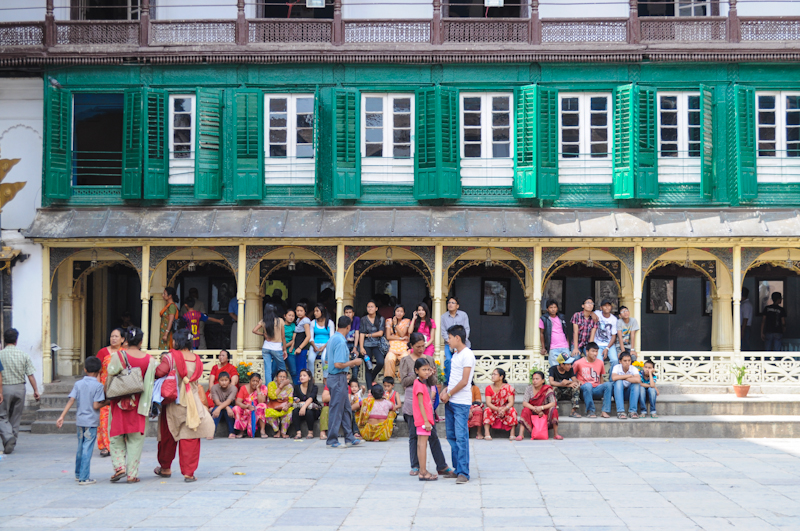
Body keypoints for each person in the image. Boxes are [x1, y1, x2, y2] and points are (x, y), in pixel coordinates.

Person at [154, 329, 215, 482]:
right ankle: (189, 473)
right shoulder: (197, 359)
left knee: (168, 436)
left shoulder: (170, 358)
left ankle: (165, 467)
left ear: (177, 341)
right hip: (192, 402)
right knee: (191, 437)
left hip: (174, 402)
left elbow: (159, 372)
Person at [399, 332, 454, 477]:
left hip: (427, 403)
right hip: (412, 404)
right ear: (411, 346)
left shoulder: (429, 359)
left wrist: (430, 374)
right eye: (418, 346)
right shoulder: (405, 361)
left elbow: (434, 381)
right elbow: (403, 382)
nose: (421, 349)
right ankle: (416, 465)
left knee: (433, 436)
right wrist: (418, 374)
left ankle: (441, 465)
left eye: (423, 346)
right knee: (413, 436)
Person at [106, 327, 156, 482]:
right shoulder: (150, 360)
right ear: (141, 341)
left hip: (119, 402)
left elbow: (110, 372)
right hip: (140, 404)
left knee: (115, 435)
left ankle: (119, 467)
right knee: (136, 440)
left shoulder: (119, 356)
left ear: (126, 340)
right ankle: (132, 475)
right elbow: (151, 383)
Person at [56, 356, 106, 485]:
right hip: (91, 422)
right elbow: (96, 405)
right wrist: (107, 402)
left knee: (80, 447)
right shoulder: (98, 386)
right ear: (100, 370)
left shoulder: (78, 384)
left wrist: (62, 416)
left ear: (84, 369)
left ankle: (78, 474)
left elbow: (71, 400)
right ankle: (84, 477)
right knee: (87, 449)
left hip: (80, 421)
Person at [440, 324, 475, 485]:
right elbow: (453, 378)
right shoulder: (455, 354)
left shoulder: (467, 355)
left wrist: (449, 393)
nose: (448, 341)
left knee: (461, 437)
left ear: (457, 338)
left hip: (461, 402)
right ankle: (457, 468)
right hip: (451, 400)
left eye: (449, 338)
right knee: (452, 436)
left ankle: (464, 472)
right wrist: (446, 389)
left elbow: (464, 381)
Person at [0, 328, 40, 454]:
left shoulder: (0, 354)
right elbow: (30, 375)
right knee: (16, 416)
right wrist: (36, 390)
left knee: (2, 416)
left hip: (5, 387)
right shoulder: (23, 355)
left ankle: (8, 437)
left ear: (4, 340)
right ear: (16, 341)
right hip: (20, 388)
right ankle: (12, 439)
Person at [326, 316, 363, 448]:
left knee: (346, 408)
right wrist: (354, 362)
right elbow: (338, 364)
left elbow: (327, 360)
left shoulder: (332, 339)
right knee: (336, 409)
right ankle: (332, 439)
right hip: (338, 378)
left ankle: (349, 436)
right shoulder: (341, 342)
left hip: (333, 378)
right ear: (348, 327)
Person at [95, 327, 124, 458]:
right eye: (112, 336)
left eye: (116, 336)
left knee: (119, 418)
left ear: (122, 339)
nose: (113, 338)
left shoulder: (125, 353)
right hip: (104, 389)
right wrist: (96, 388)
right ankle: (105, 446)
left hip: (121, 389)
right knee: (104, 418)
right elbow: (97, 371)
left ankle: (119, 445)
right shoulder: (102, 352)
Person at [413, 358, 438, 481]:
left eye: (428, 369)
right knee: (422, 445)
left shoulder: (421, 383)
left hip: (422, 419)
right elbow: (421, 404)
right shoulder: (418, 384)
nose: (427, 372)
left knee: (420, 444)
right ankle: (423, 472)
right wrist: (426, 421)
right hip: (423, 420)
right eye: (423, 370)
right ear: (416, 370)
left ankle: (423, 470)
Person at [519, 371, 562, 440]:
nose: (534, 381)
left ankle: (556, 434)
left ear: (543, 380)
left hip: (544, 412)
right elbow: (525, 403)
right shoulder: (529, 388)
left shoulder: (547, 389)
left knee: (554, 410)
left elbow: (553, 403)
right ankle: (521, 434)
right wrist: (535, 409)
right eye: (533, 379)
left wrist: (541, 408)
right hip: (533, 411)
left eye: (537, 379)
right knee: (525, 410)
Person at [573, 342, 612, 419]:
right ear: (587, 352)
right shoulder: (578, 363)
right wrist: (577, 381)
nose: (595, 353)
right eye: (593, 351)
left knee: (608, 384)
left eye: (596, 351)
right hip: (584, 390)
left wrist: (602, 386)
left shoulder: (600, 362)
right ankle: (590, 411)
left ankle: (604, 411)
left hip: (596, 390)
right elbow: (572, 376)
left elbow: (601, 377)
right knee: (588, 385)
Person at [481, 368, 520, 441]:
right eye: (492, 374)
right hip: (494, 408)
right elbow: (488, 403)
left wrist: (504, 409)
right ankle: (487, 433)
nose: (492, 376)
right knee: (487, 410)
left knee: (512, 410)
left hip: (505, 409)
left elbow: (511, 402)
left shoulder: (508, 388)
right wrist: (498, 409)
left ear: (501, 377)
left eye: (495, 374)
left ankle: (512, 433)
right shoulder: (488, 388)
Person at [441, 296, 471, 382]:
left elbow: (467, 329)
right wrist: (451, 341)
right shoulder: (444, 317)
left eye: (453, 303)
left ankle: (464, 381)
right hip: (449, 344)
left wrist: (460, 342)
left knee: (464, 361)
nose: (450, 305)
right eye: (449, 303)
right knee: (448, 360)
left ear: (457, 306)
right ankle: (448, 382)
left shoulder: (463, 315)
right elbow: (443, 332)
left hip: (462, 343)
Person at [254, 303, 286, 381]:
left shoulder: (263, 321)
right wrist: (284, 349)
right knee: (282, 368)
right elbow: (283, 337)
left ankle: (268, 389)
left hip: (266, 347)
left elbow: (254, 330)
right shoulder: (280, 320)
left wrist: (263, 334)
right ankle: (282, 386)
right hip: (277, 347)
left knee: (267, 370)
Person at [359, 300, 385, 388]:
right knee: (368, 366)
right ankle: (369, 389)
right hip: (367, 345)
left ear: (376, 308)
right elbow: (362, 334)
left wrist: (369, 335)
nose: (370, 308)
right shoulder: (363, 319)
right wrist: (361, 347)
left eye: (372, 307)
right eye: (368, 307)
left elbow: (380, 333)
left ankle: (371, 378)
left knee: (381, 362)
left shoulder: (381, 319)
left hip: (377, 344)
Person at [232, 373, 267, 438]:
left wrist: (258, 388)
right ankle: (241, 431)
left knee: (262, 405)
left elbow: (261, 401)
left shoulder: (263, 388)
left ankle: (262, 430)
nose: (255, 383)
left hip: (257, 412)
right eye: (253, 381)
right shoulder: (243, 388)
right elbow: (238, 402)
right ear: (250, 381)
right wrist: (247, 407)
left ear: (260, 382)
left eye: (257, 381)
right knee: (236, 408)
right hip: (246, 409)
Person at [611, 350, 641, 420]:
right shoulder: (616, 367)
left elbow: (638, 380)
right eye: (625, 361)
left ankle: (632, 411)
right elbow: (614, 378)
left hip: (629, 394)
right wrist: (629, 376)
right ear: (620, 361)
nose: (627, 363)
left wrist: (623, 377)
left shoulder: (633, 368)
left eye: (629, 360)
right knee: (618, 382)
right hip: (617, 394)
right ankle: (620, 412)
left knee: (636, 384)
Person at [539, 301, 571, 367]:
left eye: (555, 307)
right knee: (555, 368)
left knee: (566, 367)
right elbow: (542, 333)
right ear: (547, 309)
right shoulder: (544, 319)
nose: (553, 309)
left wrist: (567, 344)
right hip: (553, 348)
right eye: (551, 307)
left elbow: (565, 331)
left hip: (564, 347)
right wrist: (543, 347)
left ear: (557, 308)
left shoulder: (561, 317)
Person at [384, 305, 411, 379]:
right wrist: (400, 338)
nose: (399, 313)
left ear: (404, 313)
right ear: (395, 312)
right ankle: (389, 380)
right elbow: (388, 337)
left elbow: (402, 333)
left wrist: (395, 325)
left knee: (406, 359)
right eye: (397, 311)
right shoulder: (389, 321)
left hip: (403, 348)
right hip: (392, 347)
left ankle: (402, 378)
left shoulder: (406, 321)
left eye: (401, 311)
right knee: (389, 359)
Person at [291, 369, 320, 439]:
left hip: (312, 410)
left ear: (309, 377)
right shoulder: (297, 387)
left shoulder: (314, 387)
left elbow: (311, 398)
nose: (302, 377)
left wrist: (304, 407)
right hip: (300, 409)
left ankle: (310, 432)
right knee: (294, 411)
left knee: (309, 412)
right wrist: (296, 400)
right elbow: (294, 397)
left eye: (304, 375)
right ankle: (298, 432)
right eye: (301, 376)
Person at [549, 353, 581, 418]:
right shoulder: (553, 369)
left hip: (567, 392)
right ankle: (554, 411)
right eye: (568, 364)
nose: (570, 366)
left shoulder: (570, 369)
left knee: (576, 386)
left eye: (570, 364)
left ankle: (573, 411)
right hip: (557, 392)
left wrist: (568, 382)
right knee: (553, 388)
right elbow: (551, 382)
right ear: (562, 364)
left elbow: (574, 381)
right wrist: (563, 384)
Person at [309, 303, 335, 382]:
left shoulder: (329, 323)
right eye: (314, 311)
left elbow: (331, 338)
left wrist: (324, 347)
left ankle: (325, 377)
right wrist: (314, 346)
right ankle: (311, 378)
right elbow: (310, 337)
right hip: (315, 344)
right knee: (310, 359)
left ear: (322, 312)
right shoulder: (313, 322)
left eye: (317, 311)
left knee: (324, 359)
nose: (315, 313)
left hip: (327, 344)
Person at [264, 370, 293, 438]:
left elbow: (291, 400)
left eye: (284, 377)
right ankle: (277, 431)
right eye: (280, 376)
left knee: (290, 413)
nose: (282, 378)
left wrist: (287, 406)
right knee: (268, 413)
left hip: (284, 406)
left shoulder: (289, 386)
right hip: (273, 405)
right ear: (276, 377)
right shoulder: (271, 384)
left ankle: (283, 432)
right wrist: (281, 386)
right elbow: (272, 396)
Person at [594, 299, 622, 367]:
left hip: (609, 344)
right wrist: (592, 314)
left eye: (609, 305)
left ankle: (612, 378)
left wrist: (607, 348)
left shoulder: (614, 319)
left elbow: (613, 336)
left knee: (615, 360)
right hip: (597, 344)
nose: (607, 307)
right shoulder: (597, 313)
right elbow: (590, 312)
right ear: (601, 308)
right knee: (599, 361)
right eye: (605, 306)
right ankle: (600, 377)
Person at [209, 371, 237, 439]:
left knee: (230, 410)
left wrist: (226, 408)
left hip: (229, 406)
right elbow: (217, 401)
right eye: (222, 380)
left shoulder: (233, 388)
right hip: (218, 407)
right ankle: (211, 433)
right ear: (218, 381)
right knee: (216, 410)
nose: (224, 382)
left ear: (229, 381)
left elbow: (228, 401)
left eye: (226, 380)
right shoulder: (214, 388)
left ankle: (232, 432)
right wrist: (224, 408)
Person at [293, 303, 312, 378]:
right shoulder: (298, 320)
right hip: (297, 348)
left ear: (305, 311)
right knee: (298, 369)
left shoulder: (306, 321)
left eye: (301, 311)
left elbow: (308, 336)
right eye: (297, 311)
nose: (299, 312)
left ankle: (302, 387)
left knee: (301, 370)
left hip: (301, 349)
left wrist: (300, 348)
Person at [343, 305, 361, 380]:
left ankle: (354, 379)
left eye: (350, 312)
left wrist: (355, 347)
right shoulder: (343, 320)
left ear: (353, 313)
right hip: (345, 343)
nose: (348, 314)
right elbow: (342, 334)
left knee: (355, 357)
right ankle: (345, 379)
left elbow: (357, 333)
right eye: (346, 312)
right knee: (344, 358)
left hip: (354, 343)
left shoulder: (356, 319)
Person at [282, 308, 297, 383]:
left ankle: (297, 390)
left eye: (293, 316)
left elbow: (294, 339)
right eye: (289, 315)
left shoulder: (294, 325)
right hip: (280, 350)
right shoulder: (280, 325)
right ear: (285, 316)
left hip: (290, 350)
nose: (291, 317)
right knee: (276, 371)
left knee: (294, 372)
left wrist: (289, 347)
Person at [740, 287, 753, 352]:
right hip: (744, 327)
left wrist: (742, 330)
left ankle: (746, 359)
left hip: (744, 327)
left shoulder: (746, 305)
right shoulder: (743, 304)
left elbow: (745, 318)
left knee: (744, 345)